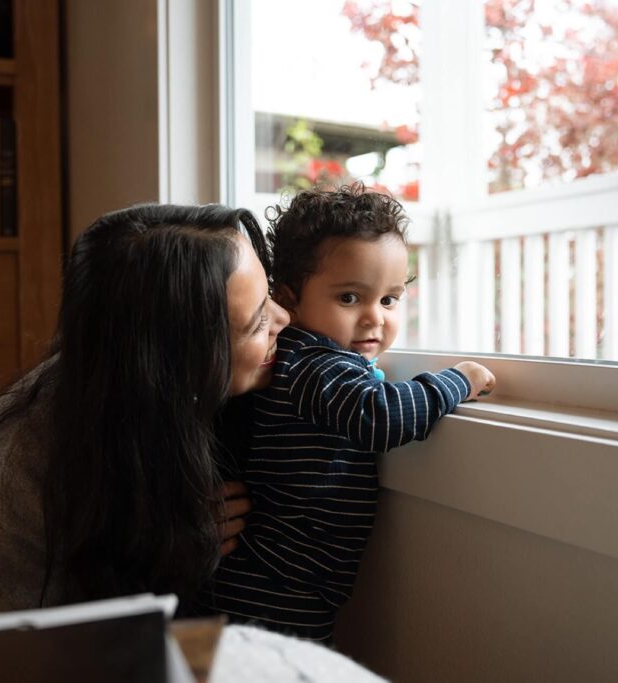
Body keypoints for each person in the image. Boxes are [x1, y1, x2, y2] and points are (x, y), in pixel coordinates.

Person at [0, 203, 290, 615]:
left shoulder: (162, 384)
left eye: (270, 296)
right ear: (178, 355)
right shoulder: (15, 487)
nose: (285, 317)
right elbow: (51, 651)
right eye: (258, 321)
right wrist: (163, 544)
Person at [201, 184, 496, 641]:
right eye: (349, 298)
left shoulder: (312, 360)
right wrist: (460, 379)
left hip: (280, 578)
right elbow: (380, 417)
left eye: (389, 299)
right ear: (290, 298)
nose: (375, 318)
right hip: (276, 585)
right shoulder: (313, 364)